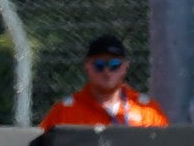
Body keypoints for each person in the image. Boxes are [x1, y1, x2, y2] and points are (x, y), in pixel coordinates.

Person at [40, 34, 168, 130]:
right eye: (99, 65)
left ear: (125, 67)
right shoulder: (65, 111)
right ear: (87, 66)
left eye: (114, 64)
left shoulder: (147, 111)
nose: (107, 72)